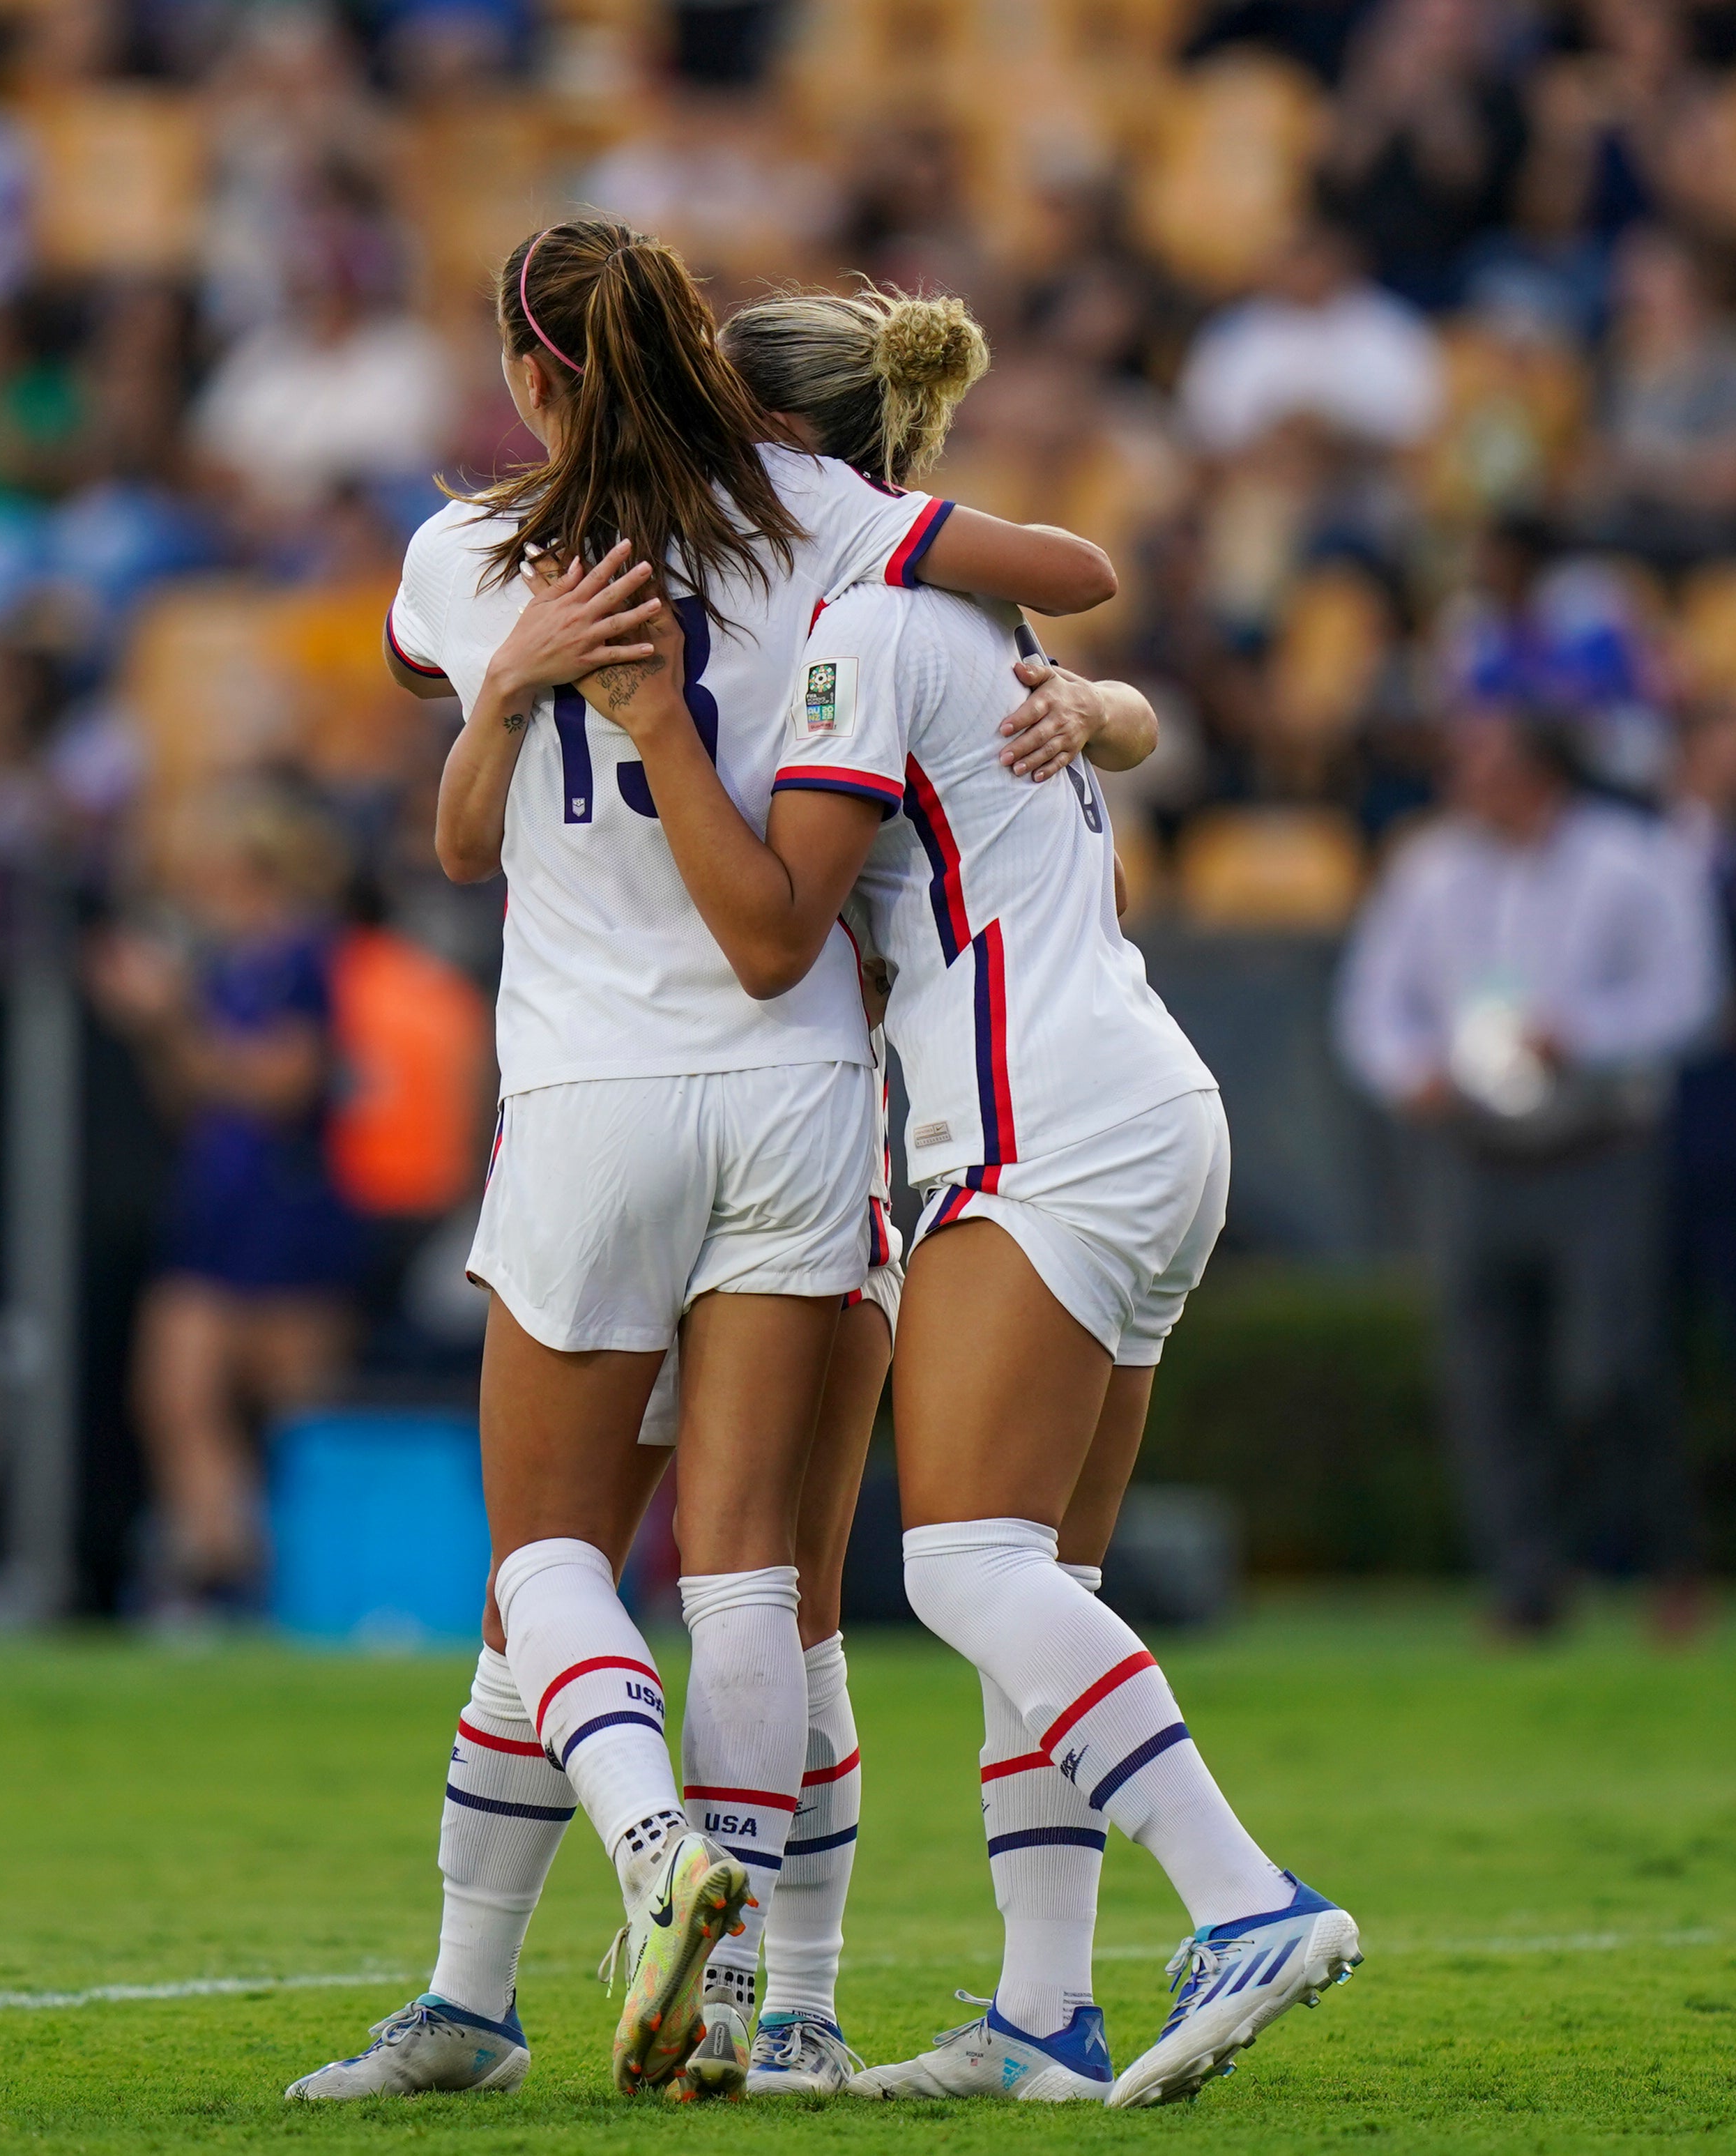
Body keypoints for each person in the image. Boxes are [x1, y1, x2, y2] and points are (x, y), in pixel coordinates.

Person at [289, 220, 1118, 2106]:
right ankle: (745, 2003)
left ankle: (632, 1880)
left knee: (544, 1560)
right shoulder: (816, 515)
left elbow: (450, 795)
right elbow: (1067, 571)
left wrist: (514, 677)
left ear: (530, 372)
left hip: (592, 1091)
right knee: (755, 1581)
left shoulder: (469, 554)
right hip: (804, 1086)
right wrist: (1081, 688)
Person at [622, 284, 1366, 2109]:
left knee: (962, 1566)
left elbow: (773, 929)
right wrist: (1109, 709)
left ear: (782, 448)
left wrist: (653, 729)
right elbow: (1100, 723)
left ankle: (1248, 1899)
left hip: (1042, 1117)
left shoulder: (865, 625)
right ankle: (1044, 2010)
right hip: (1142, 1094)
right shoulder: (972, 605)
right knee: (1047, 1575)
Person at [1336, 712, 1720, 1637]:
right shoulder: (1428, 870)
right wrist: (1409, 1070)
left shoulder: (1632, 862)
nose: (1465, 782)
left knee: (1611, 1370)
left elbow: (1687, 996)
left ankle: (1666, 1556)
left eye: (1486, 763)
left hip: (1599, 1148)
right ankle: (1527, 1585)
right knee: (1486, 1378)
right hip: (1474, 1151)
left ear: (1541, 772)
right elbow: (1374, 1003)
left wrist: (1583, 1037)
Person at [89, 781, 365, 1619]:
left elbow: (284, 1084)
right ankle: (217, 1565)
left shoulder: (304, 958)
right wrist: (160, 1026)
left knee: (299, 1416)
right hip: (215, 1203)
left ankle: (299, 1583)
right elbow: (193, 1097)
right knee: (174, 1396)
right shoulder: (224, 966)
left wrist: (173, 1018)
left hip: (289, 1208)